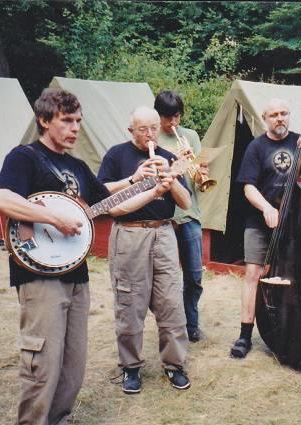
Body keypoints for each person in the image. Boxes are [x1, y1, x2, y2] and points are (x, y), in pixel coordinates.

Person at [0, 89, 169, 424]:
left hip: (76, 274)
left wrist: (153, 190)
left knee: (73, 364)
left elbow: (113, 205)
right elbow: (0, 198)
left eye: (78, 122)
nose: (75, 128)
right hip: (39, 275)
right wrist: (55, 218)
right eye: (67, 120)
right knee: (43, 363)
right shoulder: (24, 157)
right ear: (44, 120)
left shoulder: (77, 166)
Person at [230, 97, 301, 359]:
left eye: (284, 113)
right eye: (274, 115)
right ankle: (245, 335)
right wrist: (267, 209)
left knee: (297, 277)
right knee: (253, 274)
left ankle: (291, 328)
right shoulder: (256, 147)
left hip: (296, 225)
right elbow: (248, 186)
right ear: (265, 118)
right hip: (260, 221)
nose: (279, 118)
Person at [97, 106, 193, 394]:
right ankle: (131, 367)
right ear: (131, 131)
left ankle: (174, 365)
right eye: (143, 129)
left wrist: (171, 181)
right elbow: (103, 197)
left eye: (153, 127)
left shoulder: (168, 157)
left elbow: (186, 203)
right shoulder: (117, 155)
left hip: (163, 232)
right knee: (130, 304)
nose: (150, 134)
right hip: (129, 234)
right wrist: (138, 179)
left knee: (172, 302)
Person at [154, 90, 208, 343]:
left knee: (194, 275)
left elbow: (198, 176)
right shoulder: (152, 139)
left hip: (189, 214)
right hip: (163, 216)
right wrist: (177, 165)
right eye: (168, 118)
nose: (173, 123)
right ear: (158, 116)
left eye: (176, 116)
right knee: (166, 278)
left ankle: (192, 323)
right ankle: (172, 326)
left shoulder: (191, 136)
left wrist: (200, 169)